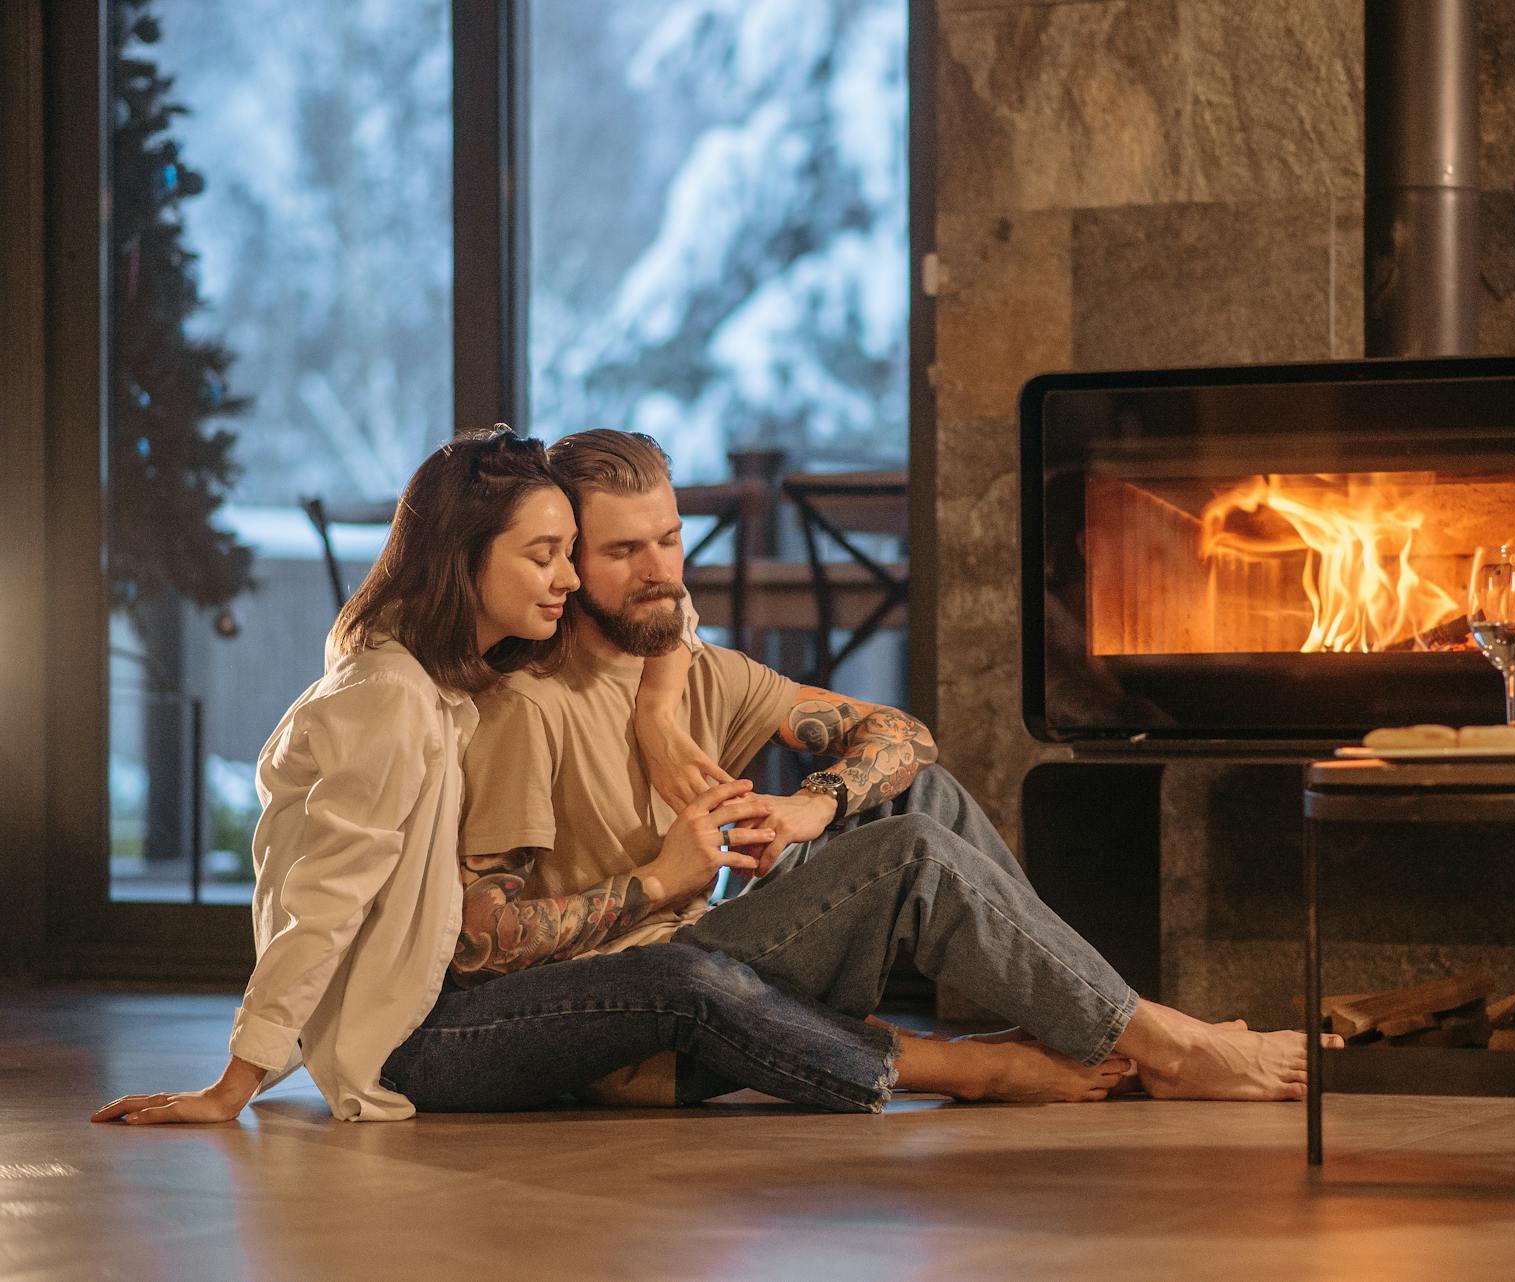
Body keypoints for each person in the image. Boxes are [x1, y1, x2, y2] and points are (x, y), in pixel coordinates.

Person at [93, 430, 1119, 1127]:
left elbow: (666, 613)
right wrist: (237, 1081)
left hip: (527, 994)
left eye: (581, 554)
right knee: (685, 975)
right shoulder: (407, 700)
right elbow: (328, 903)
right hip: (417, 1038)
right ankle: (968, 1059)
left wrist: (683, 714)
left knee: (914, 804)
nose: (575, 578)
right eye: (552, 555)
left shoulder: (455, 673)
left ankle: (1109, 1024)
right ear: (467, 561)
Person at [456, 428, 1341, 1104]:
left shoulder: (694, 669)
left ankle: (1104, 1028)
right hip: (654, 1020)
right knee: (910, 851)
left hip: (716, 945)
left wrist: (812, 805)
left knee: (923, 798)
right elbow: (482, 947)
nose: (664, 574)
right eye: (624, 553)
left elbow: (904, 735)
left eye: (671, 540)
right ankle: (1163, 1045)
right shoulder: (526, 711)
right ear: (570, 561)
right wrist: (656, 882)